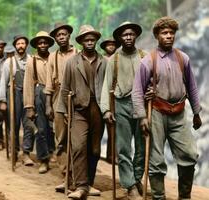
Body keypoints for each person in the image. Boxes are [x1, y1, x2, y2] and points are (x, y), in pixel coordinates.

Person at [132, 16, 202, 200]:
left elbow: (192, 87)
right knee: (155, 159)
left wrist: (196, 112)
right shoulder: (149, 60)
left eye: (171, 33)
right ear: (157, 36)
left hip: (179, 113)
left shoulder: (182, 58)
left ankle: (184, 196)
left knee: (189, 154)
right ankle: (159, 196)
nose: (169, 36)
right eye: (164, 33)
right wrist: (142, 117)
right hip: (156, 112)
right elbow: (137, 91)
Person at [56, 24, 107, 199]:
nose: (90, 42)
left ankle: (89, 183)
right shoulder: (72, 62)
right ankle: (80, 186)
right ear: (81, 42)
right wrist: (64, 111)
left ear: (96, 41)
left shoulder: (103, 62)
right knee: (78, 147)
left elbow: (109, 88)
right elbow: (64, 89)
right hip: (78, 109)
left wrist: (108, 110)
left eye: (93, 39)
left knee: (94, 149)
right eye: (87, 40)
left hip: (98, 110)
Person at [100, 21, 146, 199]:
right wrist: (106, 110)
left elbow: (152, 81)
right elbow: (106, 86)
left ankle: (136, 178)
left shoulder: (144, 56)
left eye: (131, 34)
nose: (128, 37)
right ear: (120, 37)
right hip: (122, 104)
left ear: (136, 36)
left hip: (141, 105)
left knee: (142, 147)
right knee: (124, 148)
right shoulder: (114, 59)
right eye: (125, 35)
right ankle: (130, 185)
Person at [45, 22, 78, 176]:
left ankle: (77, 172)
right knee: (61, 136)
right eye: (58, 35)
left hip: (77, 97)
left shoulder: (78, 53)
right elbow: (48, 83)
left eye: (64, 34)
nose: (62, 37)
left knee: (77, 137)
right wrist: (48, 105)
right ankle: (65, 173)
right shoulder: (53, 57)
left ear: (69, 36)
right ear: (55, 39)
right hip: (58, 97)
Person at [0, 35, 35, 165]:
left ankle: (26, 153)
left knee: (29, 125)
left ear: (26, 45)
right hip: (13, 95)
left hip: (28, 96)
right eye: (18, 43)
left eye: (23, 43)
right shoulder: (9, 62)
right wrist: (3, 100)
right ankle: (14, 150)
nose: (21, 45)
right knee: (13, 124)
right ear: (15, 46)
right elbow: (3, 81)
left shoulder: (31, 60)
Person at [23, 31, 55, 173]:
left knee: (55, 128)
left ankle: (56, 154)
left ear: (49, 44)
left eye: (45, 42)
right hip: (39, 93)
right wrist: (29, 106)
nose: (43, 45)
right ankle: (43, 159)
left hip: (55, 93)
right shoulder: (32, 61)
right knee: (41, 129)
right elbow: (28, 84)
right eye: (40, 43)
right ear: (36, 45)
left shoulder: (54, 57)